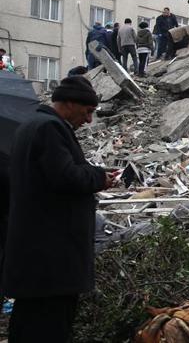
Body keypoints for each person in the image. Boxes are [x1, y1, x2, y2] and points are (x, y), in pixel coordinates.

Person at [3, 76, 116, 341]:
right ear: (68, 103)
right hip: (52, 257)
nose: (88, 120)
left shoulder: (31, 125)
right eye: (87, 112)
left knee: (29, 323)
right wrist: (99, 178)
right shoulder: (49, 129)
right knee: (49, 326)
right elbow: (66, 177)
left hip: (37, 255)